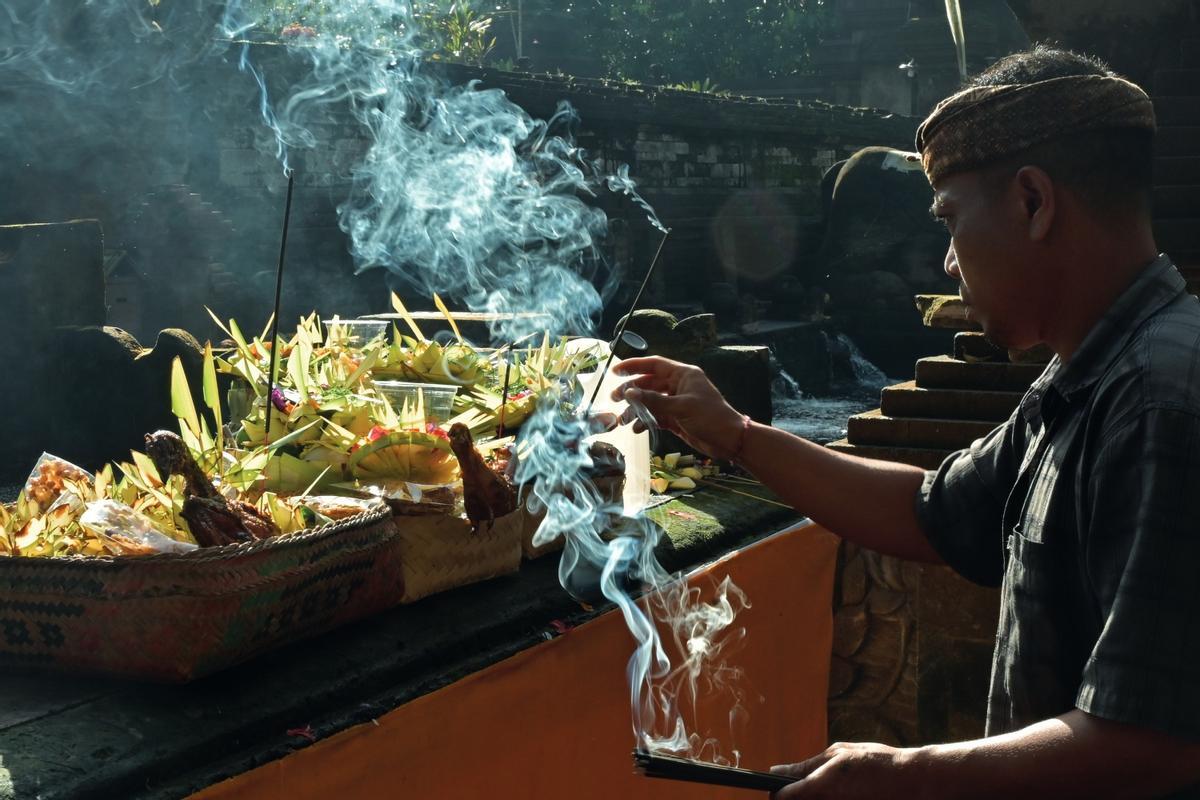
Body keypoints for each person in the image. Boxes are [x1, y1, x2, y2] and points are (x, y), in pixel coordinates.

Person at [612, 46, 1200, 798]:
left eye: (950, 222)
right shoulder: (1088, 373)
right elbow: (932, 511)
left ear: (1033, 202)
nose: (948, 264)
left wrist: (903, 775)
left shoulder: (1158, 401)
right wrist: (735, 435)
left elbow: (1154, 741)